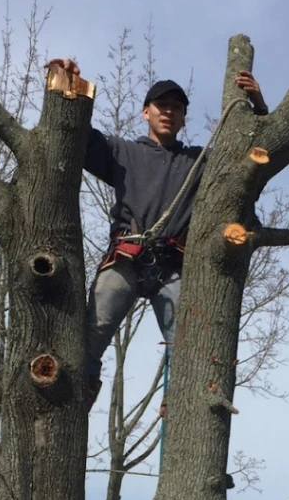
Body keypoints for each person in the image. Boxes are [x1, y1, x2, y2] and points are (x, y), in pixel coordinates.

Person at [51, 60, 268, 402]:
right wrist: (69, 88)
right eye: (161, 106)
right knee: (90, 336)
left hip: (172, 268)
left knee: (189, 346)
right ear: (145, 113)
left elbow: (254, 154)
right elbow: (75, 134)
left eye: (177, 108)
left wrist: (258, 105)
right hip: (126, 258)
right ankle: (76, 398)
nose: (168, 112)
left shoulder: (199, 162)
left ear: (184, 118)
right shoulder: (122, 152)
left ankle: (178, 405)